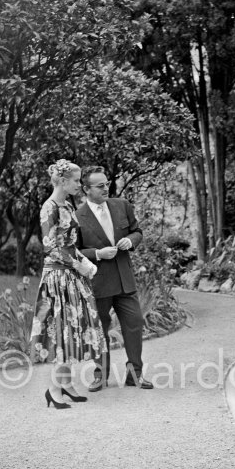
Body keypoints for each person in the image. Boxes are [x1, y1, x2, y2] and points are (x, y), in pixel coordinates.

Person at [30, 159, 107, 409]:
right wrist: (79, 265)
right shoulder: (49, 207)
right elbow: (50, 246)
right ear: (63, 181)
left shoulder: (69, 206)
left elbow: (71, 244)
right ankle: (54, 390)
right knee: (63, 331)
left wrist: (84, 261)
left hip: (73, 276)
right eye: (76, 180)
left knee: (73, 330)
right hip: (57, 278)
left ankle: (66, 384)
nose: (79, 184)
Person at [76, 165, 153, 391]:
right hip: (97, 284)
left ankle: (134, 374)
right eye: (100, 186)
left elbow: (137, 231)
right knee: (99, 330)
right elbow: (74, 251)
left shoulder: (122, 206)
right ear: (86, 189)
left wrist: (131, 241)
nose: (105, 188)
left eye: (107, 183)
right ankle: (100, 375)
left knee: (135, 323)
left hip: (124, 281)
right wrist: (98, 254)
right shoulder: (77, 216)